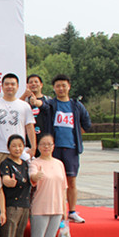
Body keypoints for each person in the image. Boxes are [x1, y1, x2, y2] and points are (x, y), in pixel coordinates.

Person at [36, 74, 92, 223]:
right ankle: (54, 210)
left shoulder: (76, 105)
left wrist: (75, 135)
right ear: (54, 88)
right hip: (53, 150)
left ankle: (72, 211)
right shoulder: (51, 104)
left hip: (71, 149)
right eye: (58, 86)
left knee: (71, 181)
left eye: (63, 85)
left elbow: (86, 123)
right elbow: (42, 106)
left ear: (69, 87)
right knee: (52, 181)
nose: (61, 88)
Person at [28, 134, 68, 237]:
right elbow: (32, 177)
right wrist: (35, 176)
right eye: (43, 144)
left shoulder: (59, 164)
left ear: (53, 146)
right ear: (38, 146)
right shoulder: (35, 163)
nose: (46, 147)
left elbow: (64, 188)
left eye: (49, 144)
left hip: (57, 208)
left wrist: (64, 209)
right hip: (40, 207)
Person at [0, 134, 31, 237]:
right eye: (14, 146)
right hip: (11, 205)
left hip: (25, 205)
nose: (17, 149)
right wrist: (8, 182)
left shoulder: (25, 164)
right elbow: (5, 179)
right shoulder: (6, 164)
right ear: (8, 147)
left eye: (20, 146)